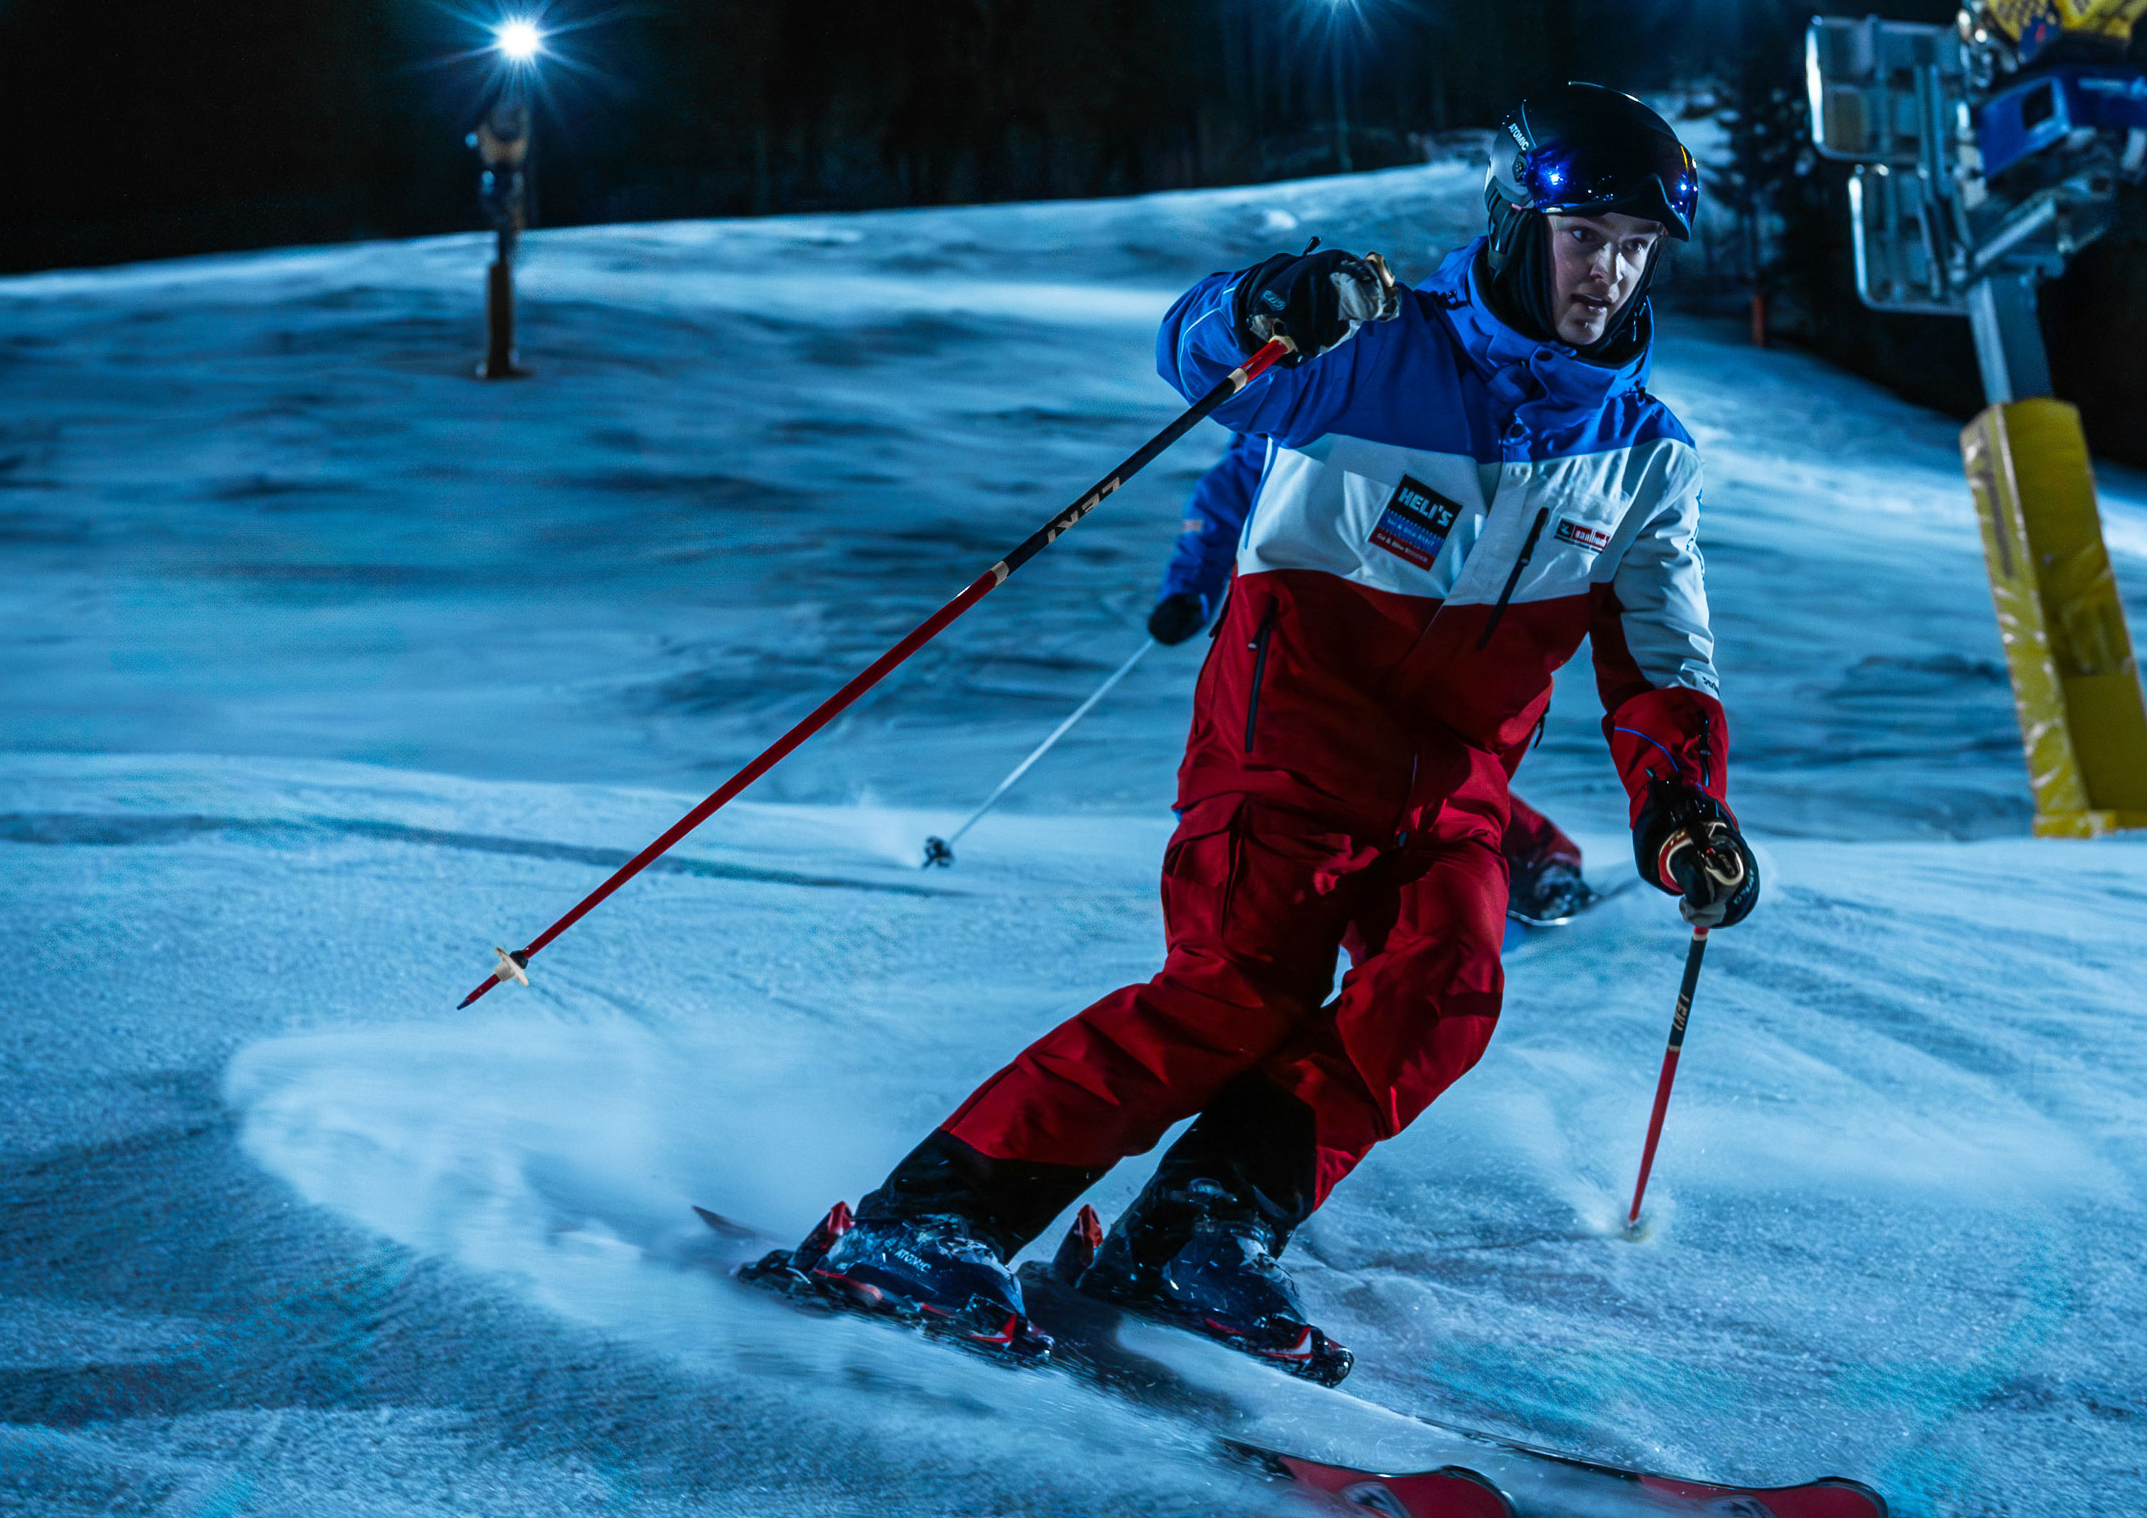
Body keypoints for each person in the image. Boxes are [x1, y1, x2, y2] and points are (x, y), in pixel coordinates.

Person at [762, 84, 1761, 1378]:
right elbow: (1192, 355)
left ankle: (1202, 1227)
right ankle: (927, 1218)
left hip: (1454, 795)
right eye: (1586, 238)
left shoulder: (1642, 455)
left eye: (1636, 246)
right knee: (1236, 994)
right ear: (1519, 223)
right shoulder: (1376, 351)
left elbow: (1663, 657)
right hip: (1287, 745)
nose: (1610, 274)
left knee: (1444, 993)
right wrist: (1268, 305)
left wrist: (1683, 806)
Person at [1150, 428, 1592, 926]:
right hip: (1283, 629)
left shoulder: (1381, 405)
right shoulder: (1282, 425)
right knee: (1281, 758)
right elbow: (1224, 498)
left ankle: (1531, 862)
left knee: (1407, 757)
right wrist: (1187, 592)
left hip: (1383, 610)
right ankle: (1266, 881)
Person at [469, 97, 533, 380]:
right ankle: (499, 358)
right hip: (496, 243)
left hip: (502, 237)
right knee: (500, 281)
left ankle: (502, 356)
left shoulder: (505, 171)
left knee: (503, 280)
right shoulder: (498, 171)